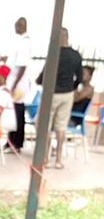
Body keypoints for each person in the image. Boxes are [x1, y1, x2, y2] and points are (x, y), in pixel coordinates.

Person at [36, 29, 83, 168]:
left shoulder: (53, 53)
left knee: (46, 126)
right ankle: (58, 160)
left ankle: (45, 159)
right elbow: (79, 77)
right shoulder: (75, 55)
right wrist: (72, 87)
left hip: (51, 93)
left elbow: (45, 73)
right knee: (61, 127)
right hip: (67, 94)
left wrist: (39, 81)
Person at [7, 15, 33, 152]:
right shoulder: (20, 41)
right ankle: (10, 141)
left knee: (17, 113)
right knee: (12, 112)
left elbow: (22, 66)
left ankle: (16, 143)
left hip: (18, 84)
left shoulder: (24, 43)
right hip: (14, 81)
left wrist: (14, 84)